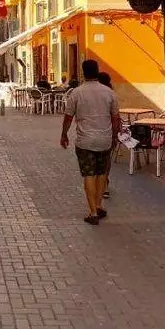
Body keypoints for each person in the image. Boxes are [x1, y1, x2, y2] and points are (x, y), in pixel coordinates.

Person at [60, 59, 120, 225]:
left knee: (89, 174)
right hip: (105, 140)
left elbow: (68, 117)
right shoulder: (109, 93)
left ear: (83, 72)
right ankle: (99, 205)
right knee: (101, 174)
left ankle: (93, 212)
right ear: (97, 70)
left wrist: (64, 134)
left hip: (85, 141)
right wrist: (114, 137)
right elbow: (115, 118)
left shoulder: (76, 93)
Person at [98, 71, 114, 198]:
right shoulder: (111, 93)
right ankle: (105, 183)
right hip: (107, 132)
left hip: (92, 133)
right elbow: (116, 116)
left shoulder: (99, 93)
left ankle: (101, 183)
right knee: (106, 159)